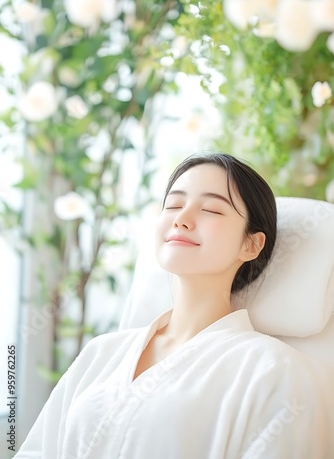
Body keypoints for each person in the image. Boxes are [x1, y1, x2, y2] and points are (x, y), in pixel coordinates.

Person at [14, 152, 328, 458]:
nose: (182, 219)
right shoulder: (103, 352)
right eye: (174, 205)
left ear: (250, 244)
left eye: (211, 210)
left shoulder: (274, 370)